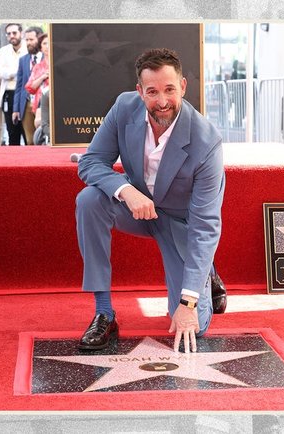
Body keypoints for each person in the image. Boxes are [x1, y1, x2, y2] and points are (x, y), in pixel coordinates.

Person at [75, 48, 227, 354]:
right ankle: (104, 312)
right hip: (140, 209)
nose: (162, 101)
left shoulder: (206, 141)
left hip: (183, 223)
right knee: (89, 199)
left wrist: (187, 303)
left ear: (183, 86)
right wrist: (125, 190)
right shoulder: (123, 108)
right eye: (152, 91)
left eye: (170, 89)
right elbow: (90, 163)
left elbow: (206, 224)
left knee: (194, 324)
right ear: (139, 91)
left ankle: (205, 272)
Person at [0, 23, 27, 145]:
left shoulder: (27, 49)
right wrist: (17, 72)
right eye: (9, 34)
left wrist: (9, 73)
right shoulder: (3, 51)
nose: (11, 36)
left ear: (21, 33)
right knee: (12, 132)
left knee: (27, 132)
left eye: (14, 33)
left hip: (25, 95)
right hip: (8, 95)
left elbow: (28, 72)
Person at [12, 26, 44, 145]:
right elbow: (19, 86)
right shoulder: (23, 60)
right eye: (27, 40)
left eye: (31, 40)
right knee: (29, 140)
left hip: (42, 104)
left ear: (39, 40)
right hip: (26, 105)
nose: (28, 43)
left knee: (42, 138)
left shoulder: (48, 58)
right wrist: (15, 109)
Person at [24, 33, 49, 117]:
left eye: (50, 42)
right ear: (41, 48)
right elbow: (30, 88)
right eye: (44, 43)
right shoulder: (38, 67)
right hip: (42, 106)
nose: (48, 46)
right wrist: (42, 77)